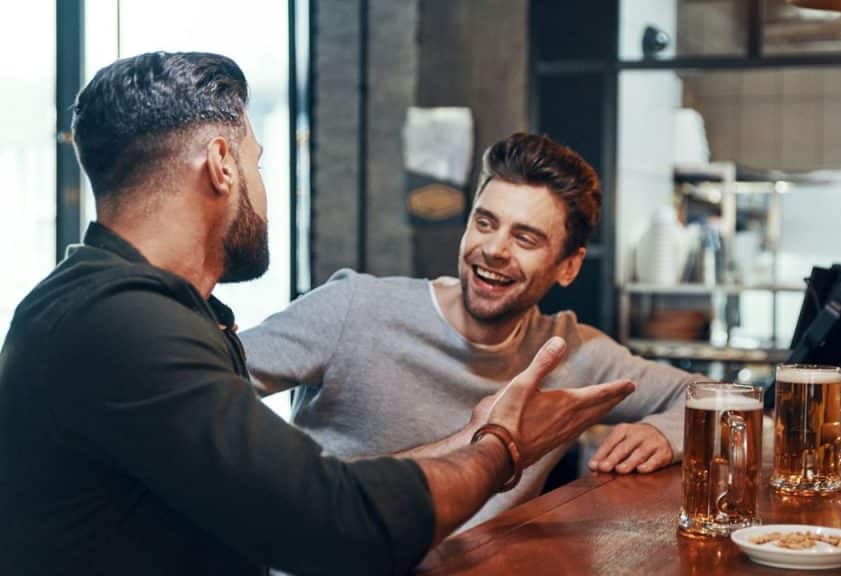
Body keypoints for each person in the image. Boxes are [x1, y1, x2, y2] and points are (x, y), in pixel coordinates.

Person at [0, 52, 636, 576]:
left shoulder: (135, 309)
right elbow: (337, 525)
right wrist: (502, 448)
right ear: (221, 164)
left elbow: (300, 491)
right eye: (257, 163)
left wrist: (478, 434)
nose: (263, 187)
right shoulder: (122, 326)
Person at [240, 132, 702, 529]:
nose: (494, 250)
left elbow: (710, 396)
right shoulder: (354, 308)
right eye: (485, 223)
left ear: (568, 266)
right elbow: (192, 387)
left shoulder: (573, 351)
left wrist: (666, 434)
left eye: (525, 238)